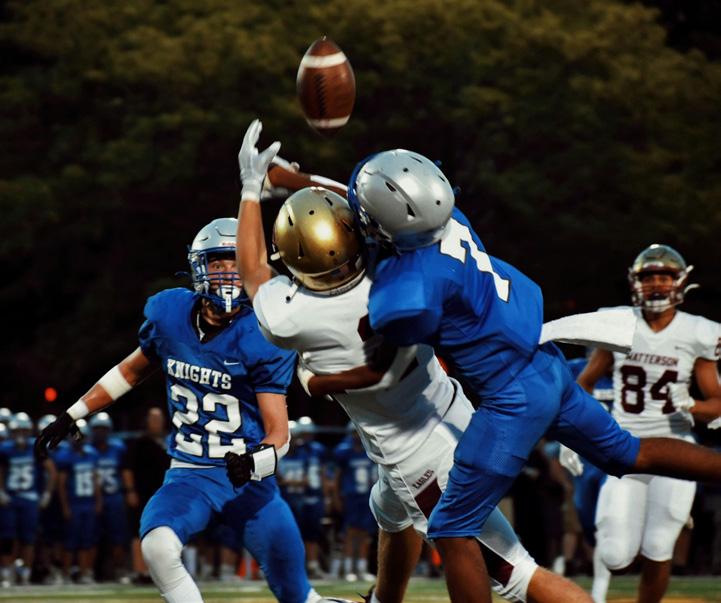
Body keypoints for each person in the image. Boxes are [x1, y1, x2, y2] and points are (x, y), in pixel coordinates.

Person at [235, 119, 594, 603]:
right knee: (388, 509)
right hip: (454, 411)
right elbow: (373, 203)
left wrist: (251, 190)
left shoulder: (291, 316)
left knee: (514, 576)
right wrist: (297, 179)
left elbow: (253, 271)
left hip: (415, 455)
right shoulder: (395, 267)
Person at [345, 148, 721, 602]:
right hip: (547, 363)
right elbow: (394, 218)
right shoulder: (452, 219)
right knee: (628, 452)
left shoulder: (412, 282)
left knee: (452, 528)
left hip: (512, 397)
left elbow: (394, 329)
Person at [35, 218, 325, 603]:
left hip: (248, 480)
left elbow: (279, 434)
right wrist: (74, 412)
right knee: (156, 545)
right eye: (218, 263)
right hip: (190, 472)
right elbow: (130, 371)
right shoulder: (170, 315)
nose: (228, 273)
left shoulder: (263, 334)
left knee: (299, 596)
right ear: (199, 267)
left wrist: (252, 464)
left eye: (236, 262)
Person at [565, 244, 721, 603]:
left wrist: (692, 405)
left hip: (675, 445)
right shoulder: (620, 324)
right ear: (635, 283)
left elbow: (717, 404)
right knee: (616, 555)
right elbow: (582, 386)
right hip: (627, 446)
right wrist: (572, 437)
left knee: (659, 544)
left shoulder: (698, 331)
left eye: (665, 277)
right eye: (649, 277)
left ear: (679, 282)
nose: (657, 284)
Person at [0, 413, 55, 586]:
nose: (21, 434)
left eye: (24, 430)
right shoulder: (5, 448)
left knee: (28, 538)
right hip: (10, 498)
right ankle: (7, 571)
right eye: (18, 431)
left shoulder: (35, 446)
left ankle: (25, 573)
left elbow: (51, 471)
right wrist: (1, 491)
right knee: (8, 537)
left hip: (30, 498)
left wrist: (47, 494)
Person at [122, 406, 169, 585]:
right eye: (153, 419)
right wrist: (130, 490)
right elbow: (127, 468)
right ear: (147, 422)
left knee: (163, 533)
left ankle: (158, 571)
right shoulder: (139, 443)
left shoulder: (169, 442)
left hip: (163, 496)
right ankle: (140, 572)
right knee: (138, 533)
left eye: (159, 419)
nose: (156, 423)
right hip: (142, 494)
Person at [54, 419, 101, 584]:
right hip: (74, 502)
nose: (79, 439)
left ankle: (84, 572)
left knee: (87, 540)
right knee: (70, 540)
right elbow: (61, 485)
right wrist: (65, 506)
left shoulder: (92, 454)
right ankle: (66, 573)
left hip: (88, 501)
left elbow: (95, 480)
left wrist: (98, 501)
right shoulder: (65, 456)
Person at [332, 425, 378, 582]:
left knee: (365, 533)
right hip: (351, 496)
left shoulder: (371, 449)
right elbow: (337, 476)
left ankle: (361, 568)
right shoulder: (344, 451)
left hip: (367, 496)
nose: (358, 435)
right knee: (350, 533)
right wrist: (336, 497)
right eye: (354, 432)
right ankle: (348, 568)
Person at [88, 412, 130, 581]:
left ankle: (119, 570)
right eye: (97, 429)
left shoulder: (118, 448)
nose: (100, 432)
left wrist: (128, 491)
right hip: (92, 499)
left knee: (118, 537)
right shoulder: (88, 450)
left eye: (103, 429)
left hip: (114, 497)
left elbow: (124, 471)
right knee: (91, 537)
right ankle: (91, 571)